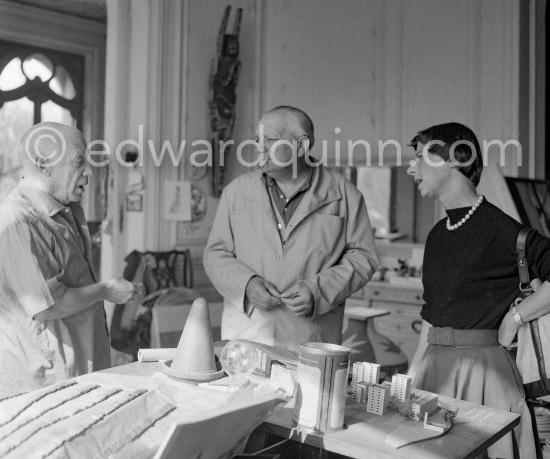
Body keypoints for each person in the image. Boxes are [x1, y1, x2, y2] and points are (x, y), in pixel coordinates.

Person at [406, 121, 550, 458]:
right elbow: (432, 313)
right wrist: (411, 377)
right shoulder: (437, 234)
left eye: (421, 156)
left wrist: (515, 317)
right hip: (433, 367)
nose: (411, 166)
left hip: (485, 377)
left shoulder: (503, 230)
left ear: (455, 159)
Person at [203, 105, 378, 351]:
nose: (258, 147)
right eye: (257, 140)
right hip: (247, 337)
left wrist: (318, 291)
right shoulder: (236, 192)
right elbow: (215, 254)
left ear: (302, 146)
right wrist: (247, 284)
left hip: (312, 340)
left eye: (270, 140)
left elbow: (363, 258)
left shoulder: (345, 194)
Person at [0, 122, 138, 396]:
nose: (88, 172)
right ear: (43, 164)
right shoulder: (17, 220)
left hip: (78, 375)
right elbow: (47, 305)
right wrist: (106, 290)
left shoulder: (67, 212)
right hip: (43, 385)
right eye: (79, 162)